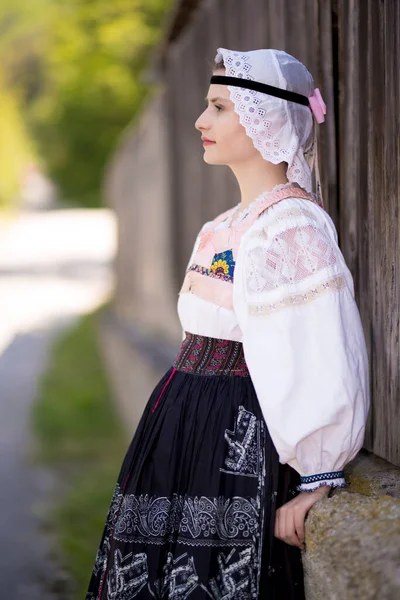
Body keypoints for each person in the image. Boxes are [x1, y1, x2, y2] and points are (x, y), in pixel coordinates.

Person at [85, 48, 370, 600]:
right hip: (183, 422)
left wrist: (318, 472)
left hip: (235, 438)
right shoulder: (224, 225)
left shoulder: (290, 226)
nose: (200, 121)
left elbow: (318, 349)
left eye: (219, 106)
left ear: (264, 115)